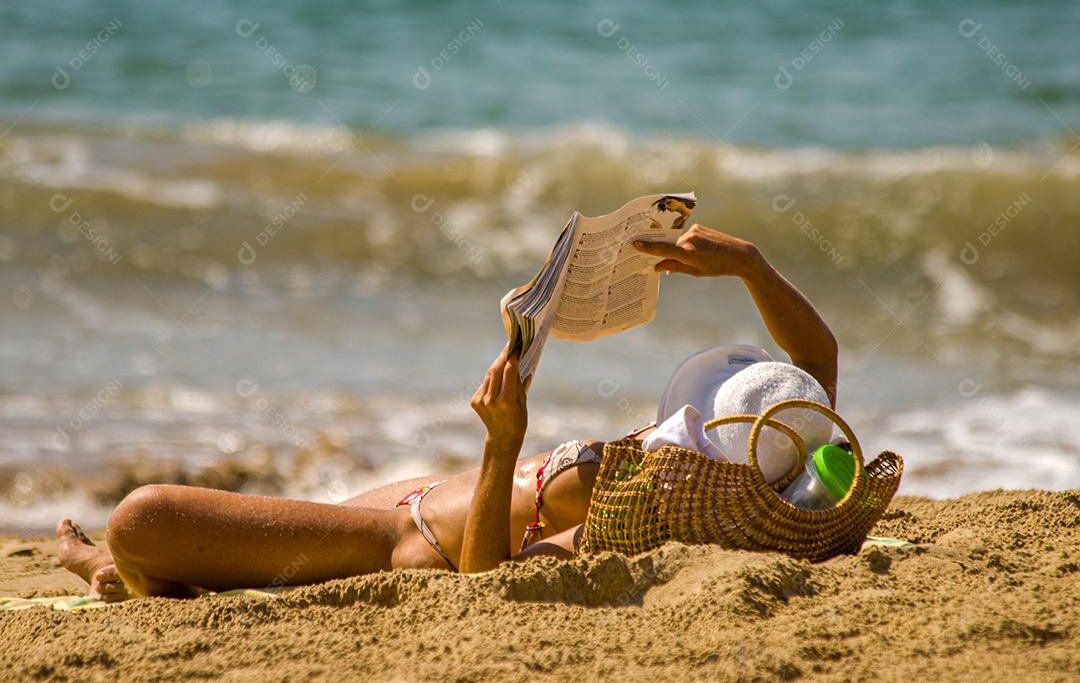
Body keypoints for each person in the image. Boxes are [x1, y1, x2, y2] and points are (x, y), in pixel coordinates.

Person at [56, 224, 838, 602]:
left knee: (143, 517)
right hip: (423, 497)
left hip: (409, 540)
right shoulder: (767, 449)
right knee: (239, 541)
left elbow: (486, 587)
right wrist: (746, 265)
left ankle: (114, 566)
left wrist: (505, 446)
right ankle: (127, 577)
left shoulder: (651, 516)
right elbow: (816, 367)